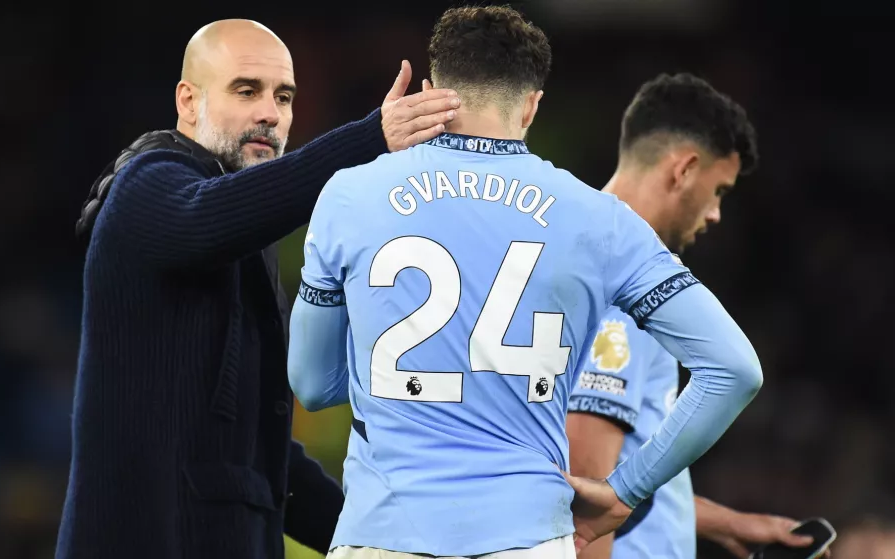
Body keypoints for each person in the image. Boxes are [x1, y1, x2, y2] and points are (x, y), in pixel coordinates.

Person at [286, 6, 762, 558]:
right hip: (527, 537)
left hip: (382, 533)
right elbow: (734, 370)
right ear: (533, 104)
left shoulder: (348, 195)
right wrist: (625, 491)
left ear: (432, 88)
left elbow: (313, 385)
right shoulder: (598, 220)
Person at [57, 18, 460, 559]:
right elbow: (207, 218)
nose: (270, 113)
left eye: (284, 97)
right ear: (187, 101)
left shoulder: (250, 241)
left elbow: (264, 461)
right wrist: (371, 138)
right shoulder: (145, 185)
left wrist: (387, 545)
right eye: (246, 90)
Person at [565, 73, 825, 559]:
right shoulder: (630, 287)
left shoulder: (584, 250)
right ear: (684, 169)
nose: (716, 215)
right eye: (720, 191)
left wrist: (722, 523)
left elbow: (622, 471)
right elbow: (585, 495)